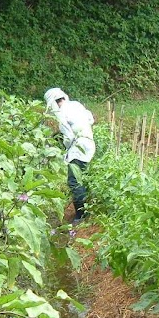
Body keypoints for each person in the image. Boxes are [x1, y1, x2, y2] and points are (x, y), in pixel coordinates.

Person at [44, 87, 95, 223]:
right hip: (89, 143)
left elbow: (68, 136)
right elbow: (90, 119)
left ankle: (81, 215)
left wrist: (64, 149)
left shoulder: (61, 113)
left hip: (78, 147)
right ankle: (88, 208)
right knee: (82, 176)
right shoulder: (76, 105)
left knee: (74, 181)